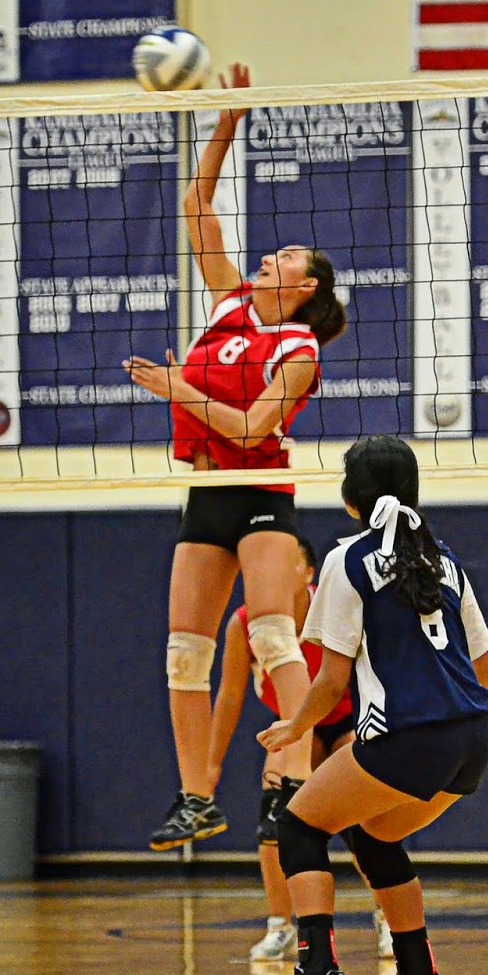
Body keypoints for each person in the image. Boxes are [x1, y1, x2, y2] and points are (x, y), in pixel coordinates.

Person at [124, 62, 348, 852]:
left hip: (259, 488)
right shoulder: (225, 299)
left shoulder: (299, 345)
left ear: (307, 286)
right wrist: (227, 121)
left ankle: (304, 765)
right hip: (207, 489)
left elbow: (255, 429)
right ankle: (195, 797)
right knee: (185, 647)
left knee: (272, 637)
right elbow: (196, 203)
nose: (271, 256)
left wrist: (175, 390)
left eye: (289, 256)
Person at [255, 435, 488, 975]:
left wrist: (295, 727)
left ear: (350, 498)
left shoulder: (347, 560)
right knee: (374, 836)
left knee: (298, 823)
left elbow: (333, 678)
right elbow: (487, 669)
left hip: (409, 736)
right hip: (473, 740)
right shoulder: (446, 561)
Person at [205, 539, 393, 965]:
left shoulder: (334, 609)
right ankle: (280, 925)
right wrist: (209, 764)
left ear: (308, 574)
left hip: (345, 719)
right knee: (275, 814)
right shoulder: (245, 623)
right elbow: (230, 696)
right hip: (292, 728)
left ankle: (386, 917)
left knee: (366, 820)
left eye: (282, 565)